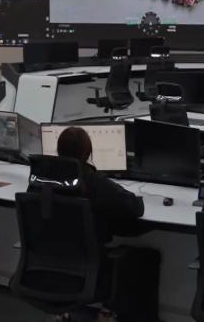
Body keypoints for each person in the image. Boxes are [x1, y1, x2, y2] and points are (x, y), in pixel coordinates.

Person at [40, 127, 160, 322]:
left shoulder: (42, 178)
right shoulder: (94, 181)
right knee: (144, 258)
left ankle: (60, 312)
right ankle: (107, 313)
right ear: (88, 153)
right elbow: (135, 208)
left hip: (48, 264)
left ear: (58, 150)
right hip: (88, 269)